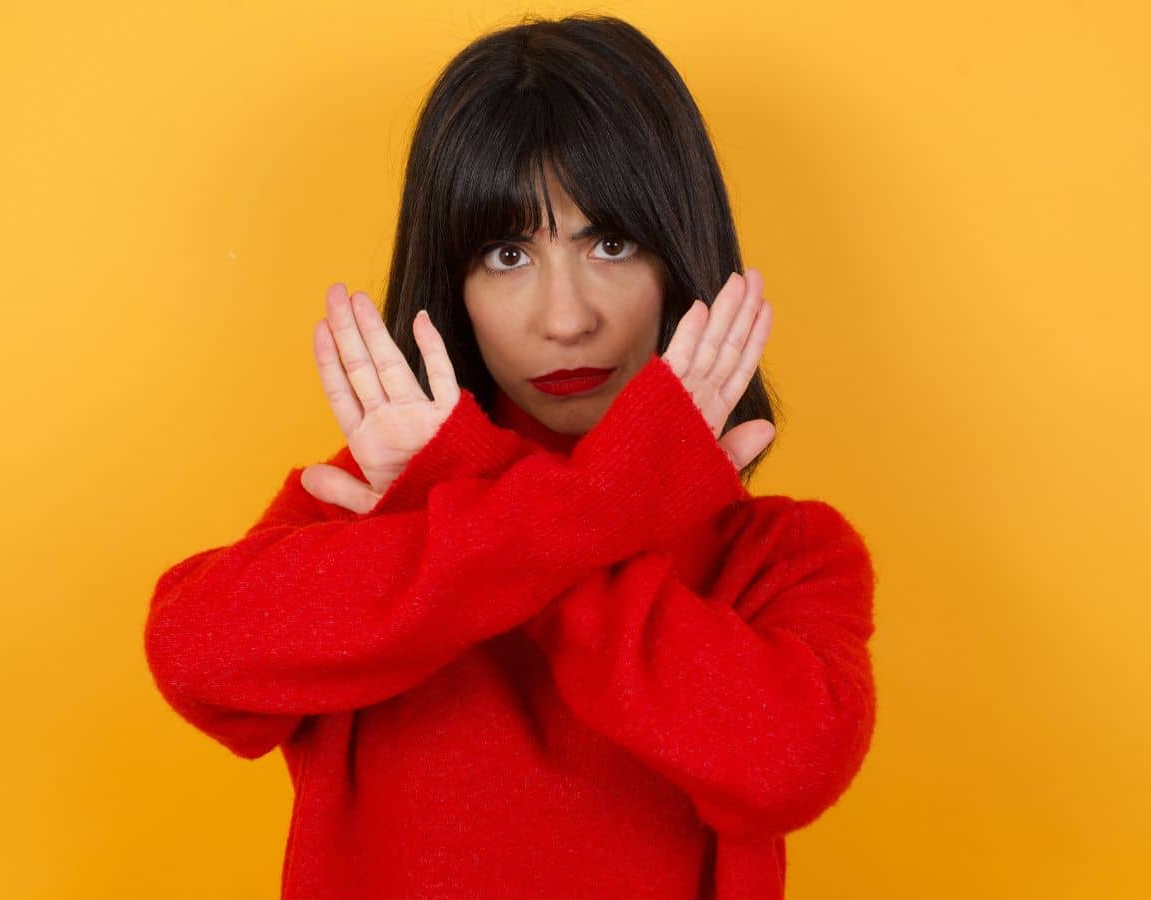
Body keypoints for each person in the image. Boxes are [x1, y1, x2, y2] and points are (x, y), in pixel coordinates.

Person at [143, 13, 876, 900]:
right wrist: (588, 500)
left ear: (681, 257)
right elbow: (195, 658)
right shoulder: (373, 502)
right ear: (450, 284)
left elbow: (788, 768)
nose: (566, 319)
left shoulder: (783, 556)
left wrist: (487, 492)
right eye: (506, 254)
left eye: (612, 244)